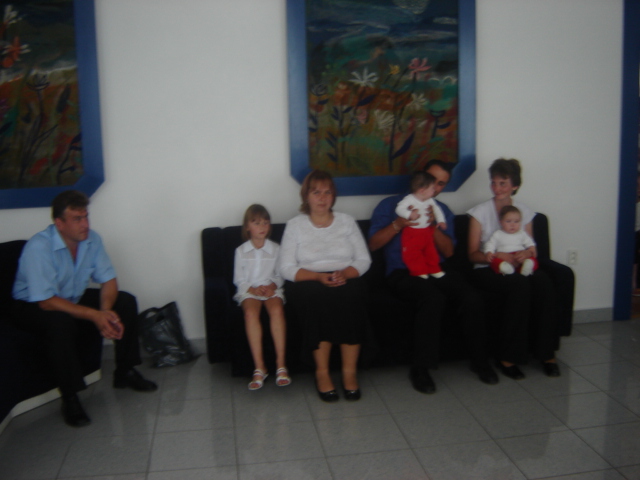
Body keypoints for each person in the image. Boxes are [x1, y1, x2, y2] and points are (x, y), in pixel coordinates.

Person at [11, 190, 157, 427]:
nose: (85, 224)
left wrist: (105, 311)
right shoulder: (39, 247)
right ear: (59, 223)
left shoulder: (92, 239)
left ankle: (125, 371)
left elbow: (109, 280)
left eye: (86, 216)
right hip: (31, 304)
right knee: (59, 322)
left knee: (125, 301)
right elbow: (46, 301)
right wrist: (94, 315)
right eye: (77, 219)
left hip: (69, 296)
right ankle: (70, 397)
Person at [369, 159, 498, 394]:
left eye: (441, 184)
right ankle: (421, 368)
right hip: (401, 271)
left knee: (471, 297)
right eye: (433, 180)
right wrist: (398, 224)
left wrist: (431, 226)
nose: (436, 187)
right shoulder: (391, 205)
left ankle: (480, 361)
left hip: (435, 267)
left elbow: (448, 252)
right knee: (432, 298)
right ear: (421, 177)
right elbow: (374, 244)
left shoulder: (441, 210)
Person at [278, 170, 372, 402]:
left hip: (344, 276)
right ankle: (322, 373)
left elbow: (364, 260)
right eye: (316, 192)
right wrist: (318, 277)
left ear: (333, 196)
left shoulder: (346, 222)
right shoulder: (295, 225)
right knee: (317, 298)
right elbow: (286, 268)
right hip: (308, 280)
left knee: (353, 294)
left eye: (327, 192)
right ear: (306, 196)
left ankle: (349, 372)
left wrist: (345, 274)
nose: (322, 198)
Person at [467, 158, 560, 379]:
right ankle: (508, 357)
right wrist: (495, 257)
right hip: (487, 269)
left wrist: (526, 254)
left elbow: (530, 246)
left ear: (515, 186)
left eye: (503, 183)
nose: (496, 188)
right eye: (494, 182)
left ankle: (547, 354)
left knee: (543, 282)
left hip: (518, 266)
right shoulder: (479, 213)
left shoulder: (524, 212)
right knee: (519, 286)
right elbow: (472, 255)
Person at [233, 204, 290, 390]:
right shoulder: (241, 251)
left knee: (277, 310)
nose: (262, 227)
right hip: (250, 290)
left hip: (271, 289)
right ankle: (260, 367)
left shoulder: (276, 249)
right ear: (247, 227)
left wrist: (272, 286)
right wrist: (252, 289)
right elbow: (239, 279)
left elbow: (280, 274)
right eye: (256, 223)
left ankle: (281, 365)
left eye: (266, 222)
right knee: (250, 313)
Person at [395, 171, 447, 279]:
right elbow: (399, 208)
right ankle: (419, 271)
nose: (434, 190)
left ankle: (434, 269)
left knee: (431, 252)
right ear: (422, 190)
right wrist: (409, 214)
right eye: (432, 188)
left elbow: (437, 209)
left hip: (426, 232)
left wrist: (441, 220)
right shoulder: (409, 199)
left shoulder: (430, 200)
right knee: (412, 253)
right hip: (412, 233)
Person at [484, 205, 538, 276]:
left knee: (533, 260)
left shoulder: (522, 233)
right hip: (504, 257)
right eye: (508, 221)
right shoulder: (497, 234)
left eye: (516, 221)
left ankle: (527, 267)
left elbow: (530, 242)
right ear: (501, 222)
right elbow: (490, 244)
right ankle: (505, 268)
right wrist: (489, 252)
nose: (512, 225)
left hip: (519, 256)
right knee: (494, 261)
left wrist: (531, 249)